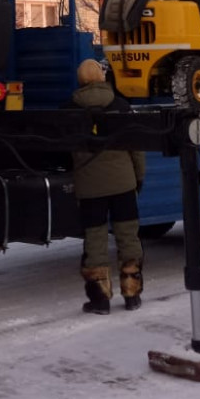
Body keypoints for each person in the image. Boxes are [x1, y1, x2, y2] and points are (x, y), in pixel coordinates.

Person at [68, 58, 146, 315]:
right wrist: (138, 177)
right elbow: (136, 147)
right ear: (102, 78)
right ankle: (132, 294)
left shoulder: (69, 109)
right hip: (123, 183)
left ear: (80, 80)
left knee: (96, 242)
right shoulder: (121, 105)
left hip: (90, 187)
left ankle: (100, 300)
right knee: (127, 238)